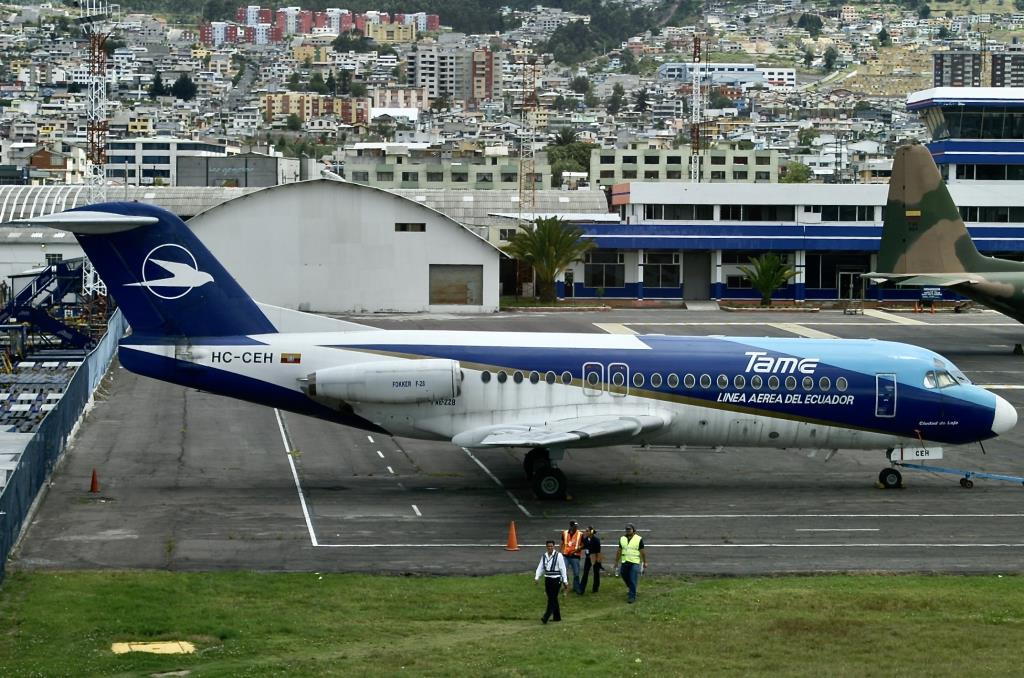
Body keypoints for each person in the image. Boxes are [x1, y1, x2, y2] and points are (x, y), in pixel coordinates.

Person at [534, 539, 568, 623]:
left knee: (552, 599)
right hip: (548, 579)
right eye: (548, 546)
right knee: (552, 598)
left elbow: (562, 568)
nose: (550, 548)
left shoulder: (558, 555)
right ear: (546, 547)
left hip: (556, 579)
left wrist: (565, 580)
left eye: (551, 546)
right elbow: (540, 567)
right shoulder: (544, 556)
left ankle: (546, 616)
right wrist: (537, 577)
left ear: (554, 546)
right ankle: (557, 617)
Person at [612, 523, 646, 604]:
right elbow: (619, 550)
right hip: (625, 561)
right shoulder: (622, 538)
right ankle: (631, 588)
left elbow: (642, 552)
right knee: (623, 575)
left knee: (633, 579)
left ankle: (632, 597)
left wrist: (645, 562)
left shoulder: (639, 539)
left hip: (634, 562)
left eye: (629, 529)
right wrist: (616, 561)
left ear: (633, 530)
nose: (628, 531)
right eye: (627, 529)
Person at [561, 520, 584, 594]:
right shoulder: (564, 533)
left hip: (575, 556)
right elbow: (562, 543)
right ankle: (566, 587)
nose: (576, 527)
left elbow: (583, 545)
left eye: (577, 526)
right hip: (565, 555)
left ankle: (576, 587)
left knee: (576, 573)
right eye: (575, 526)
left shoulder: (580, 534)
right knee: (564, 572)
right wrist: (560, 553)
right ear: (571, 526)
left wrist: (577, 550)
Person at [579, 525, 602, 594]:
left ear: (591, 532)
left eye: (587, 531)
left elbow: (598, 551)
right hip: (588, 558)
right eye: (586, 531)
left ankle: (595, 588)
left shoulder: (596, 540)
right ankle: (581, 589)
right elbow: (584, 547)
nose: (585, 532)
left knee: (596, 573)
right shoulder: (585, 539)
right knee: (585, 573)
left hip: (595, 557)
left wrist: (598, 561)